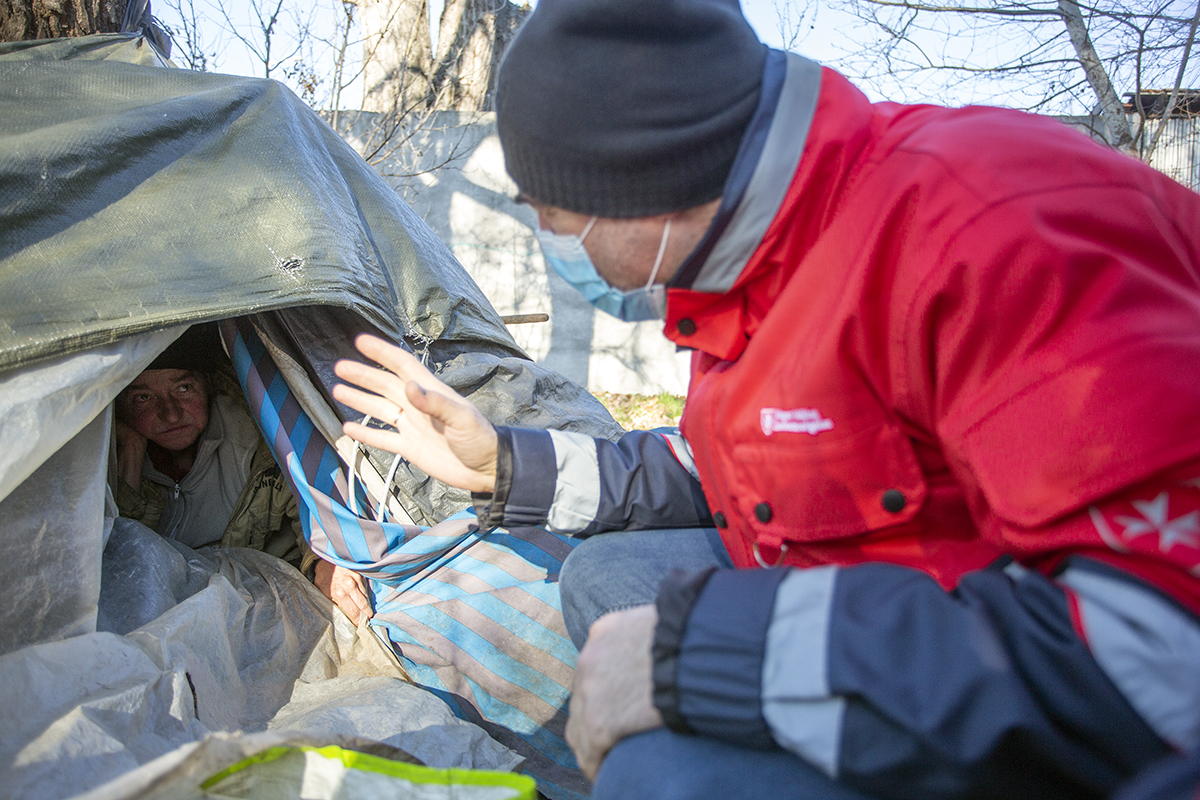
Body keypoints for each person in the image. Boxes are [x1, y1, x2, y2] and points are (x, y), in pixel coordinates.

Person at [332, 0, 1200, 798]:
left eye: (553, 215)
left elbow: (1163, 661)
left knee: (656, 770)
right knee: (607, 579)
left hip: (1102, 704)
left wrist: (712, 656)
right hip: (919, 590)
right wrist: (503, 461)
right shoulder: (765, 254)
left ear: (639, 186)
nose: (552, 241)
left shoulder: (988, 233)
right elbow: (732, 461)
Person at [114, 324, 373, 624]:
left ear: (208, 385)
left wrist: (325, 562)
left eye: (183, 389)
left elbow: (313, 504)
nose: (170, 413)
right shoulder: (110, 461)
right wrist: (129, 455)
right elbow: (116, 564)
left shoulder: (262, 438)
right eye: (144, 399)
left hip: (262, 600)